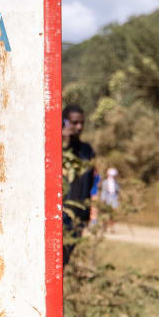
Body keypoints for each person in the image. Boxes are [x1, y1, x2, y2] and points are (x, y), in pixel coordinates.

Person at [61, 103, 98, 263]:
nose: (79, 127)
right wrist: (62, 141)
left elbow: (92, 183)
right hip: (61, 214)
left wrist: (91, 212)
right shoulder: (56, 148)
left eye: (82, 123)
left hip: (79, 217)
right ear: (64, 122)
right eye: (74, 122)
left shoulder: (87, 150)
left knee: (65, 260)